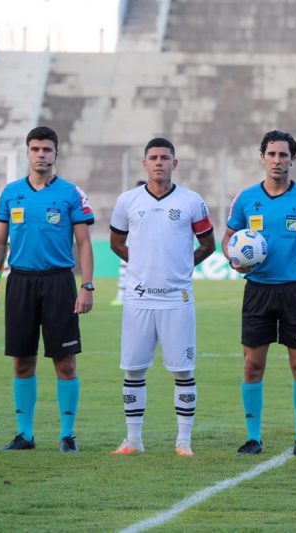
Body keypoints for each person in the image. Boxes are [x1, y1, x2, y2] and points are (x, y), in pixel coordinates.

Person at [223, 130, 296, 458]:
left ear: (292, 160)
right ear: (262, 157)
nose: (277, 160)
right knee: (252, 366)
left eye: (283, 155)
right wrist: (235, 260)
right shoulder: (245, 199)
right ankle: (253, 438)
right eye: (271, 154)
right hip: (258, 291)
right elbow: (228, 240)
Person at [0, 126, 95, 453]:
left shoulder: (72, 193)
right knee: (22, 361)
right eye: (35, 149)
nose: (41, 155)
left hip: (59, 282)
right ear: (27, 153)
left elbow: (84, 243)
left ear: (56, 154)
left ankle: (68, 435)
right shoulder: (11, 192)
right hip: (19, 282)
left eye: (47, 149)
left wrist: (86, 285)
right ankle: (24, 435)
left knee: (65, 362)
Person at [108, 138, 216, 457]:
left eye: (165, 158)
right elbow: (116, 242)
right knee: (133, 369)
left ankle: (183, 441)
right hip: (138, 299)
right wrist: (140, 264)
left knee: (182, 370)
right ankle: (133, 440)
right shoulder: (127, 201)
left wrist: (182, 267)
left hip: (176, 299)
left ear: (174, 163)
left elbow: (208, 245)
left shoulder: (191, 201)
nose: (158, 162)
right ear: (144, 164)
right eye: (153, 157)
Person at [111, 179, 147, 305]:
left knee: (136, 272)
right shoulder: (130, 203)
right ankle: (121, 295)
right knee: (124, 270)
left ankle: (134, 295)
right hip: (129, 244)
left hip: (145, 246)